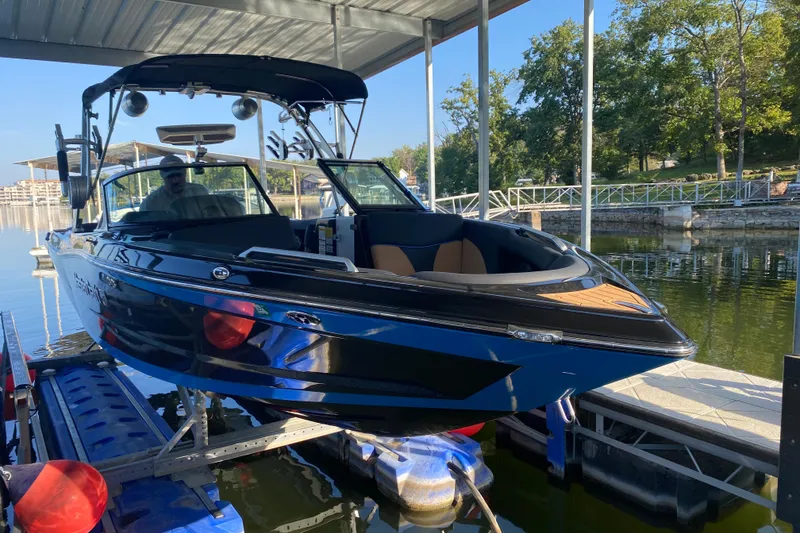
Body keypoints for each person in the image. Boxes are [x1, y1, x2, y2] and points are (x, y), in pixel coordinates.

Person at [140, 154, 208, 212]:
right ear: (162, 176)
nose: (175, 181)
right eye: (170, 177)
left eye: (179, 175)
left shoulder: (200, 192)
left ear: (185, 173)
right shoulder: (150, 203)